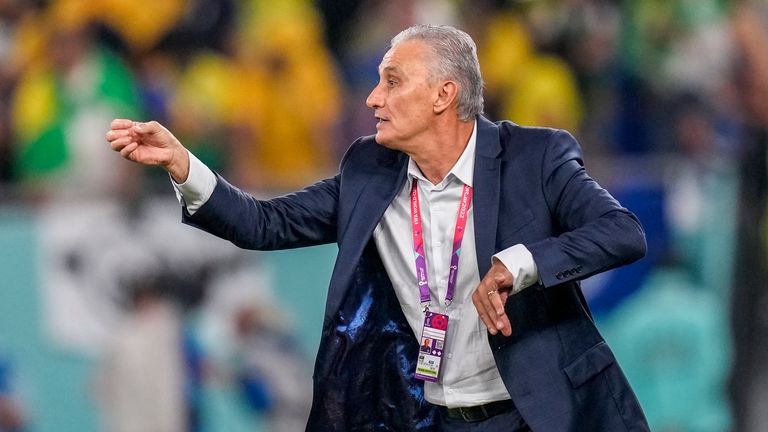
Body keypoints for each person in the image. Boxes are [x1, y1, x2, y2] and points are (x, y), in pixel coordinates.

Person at [106, 24, 649, 431]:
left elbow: (622, 232)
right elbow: (263, 222)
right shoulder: (369, 170)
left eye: (392, 81)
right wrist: (184, 165)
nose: (372, 98)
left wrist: (521, 263)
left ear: (443, 95)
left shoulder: (534, 156)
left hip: (537, 415)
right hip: (426, 418)